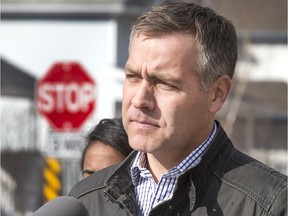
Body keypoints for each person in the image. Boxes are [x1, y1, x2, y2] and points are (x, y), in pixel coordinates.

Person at [70, 3, 287, 215]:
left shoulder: (268, 205)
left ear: (217, 94)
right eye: (133, 77)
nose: (139, 100)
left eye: (164, 83)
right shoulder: (85, 201)